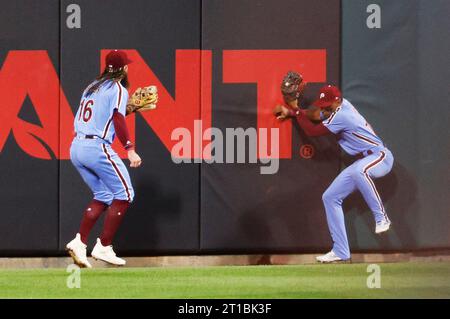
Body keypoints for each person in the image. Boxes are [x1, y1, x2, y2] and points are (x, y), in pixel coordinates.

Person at [276, 84, 394, 263]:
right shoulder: (340, 106)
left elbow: (313, 131)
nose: (324, 107)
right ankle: (340, 251)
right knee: (330, 197)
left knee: (359, 171)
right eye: (323, 103)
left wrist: (296, 110)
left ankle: (381, 217)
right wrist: (294, 111)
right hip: (363, 160)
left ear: (337, 101)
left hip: (380, 157)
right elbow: (315, 115)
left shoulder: (343, 115)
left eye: (327, 104)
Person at [66, 50, 142, 267]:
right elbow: (117, 118)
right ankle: (104, 246)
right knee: (126, 193)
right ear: (125, 68)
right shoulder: (118, 88)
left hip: (77, 147)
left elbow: (102, 115)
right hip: (96, 147)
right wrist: (129, 148)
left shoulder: (92, 86)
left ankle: (79, 242)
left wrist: (127, 109)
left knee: (104, 194)